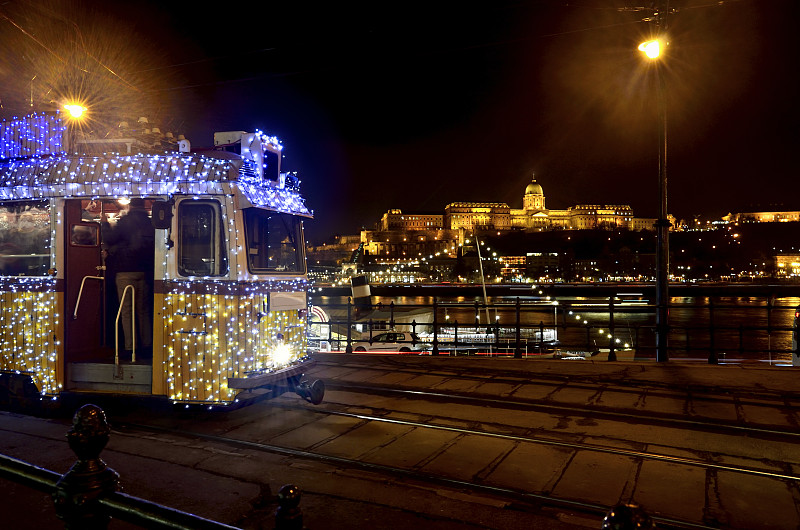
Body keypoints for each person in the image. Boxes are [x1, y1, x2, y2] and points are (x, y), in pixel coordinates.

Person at [102, 198, 155, 358]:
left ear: (130, 205)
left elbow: (110, 238)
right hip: (144, 272)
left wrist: (104, 223)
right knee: (143, 311)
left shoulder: (125, 221)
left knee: (126, 311)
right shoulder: (150, 222)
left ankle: (130, 347)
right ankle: (147, 345)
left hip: (125, 271)